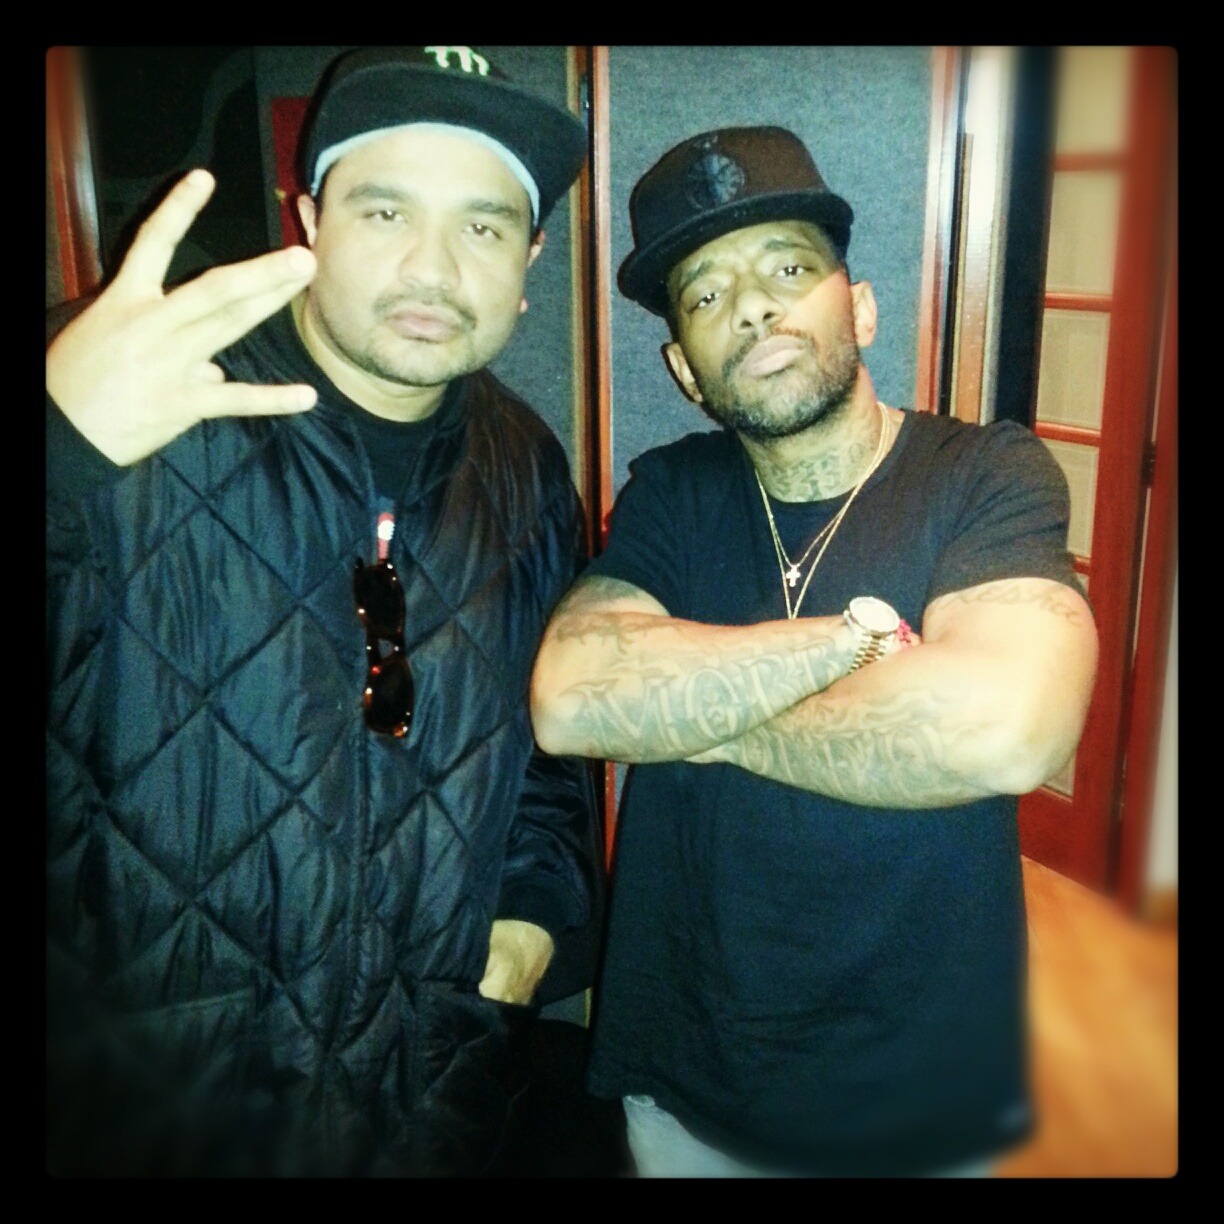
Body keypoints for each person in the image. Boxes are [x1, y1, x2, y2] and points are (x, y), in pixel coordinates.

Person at [46, 46, 605, 1177]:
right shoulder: (123, 385)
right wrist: (58, 455)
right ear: (309, 220)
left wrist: (527, 929)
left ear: (531, 261)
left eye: (484, 226)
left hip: (430, 1102)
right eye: (385, 210)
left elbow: (544, 753)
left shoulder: (527, 468)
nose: (432, 268)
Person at [530, 126, 1098, 1177]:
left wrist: (697, 721)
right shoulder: (673, 491)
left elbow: (1008, 730)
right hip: (688, 1083)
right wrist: (850, 650)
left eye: (788, 270)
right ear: (684, 370)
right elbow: (569, 699)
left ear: (862, 308)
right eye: (706, 295)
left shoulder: (985, 475)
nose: (751, 307)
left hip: (923, 1095)